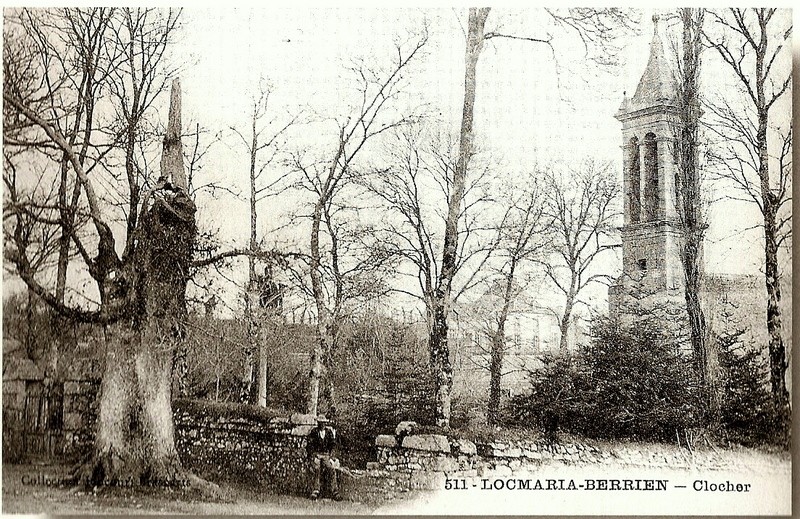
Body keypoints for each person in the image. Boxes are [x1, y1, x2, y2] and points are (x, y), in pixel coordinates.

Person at [306, 415, 341, 501]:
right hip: (317, 455)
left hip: (326, 455)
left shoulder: (328, 432)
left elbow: (333, 444)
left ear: (325, 423)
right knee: (316, 468)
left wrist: (331, 456)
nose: (322, 424)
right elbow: (309, 446)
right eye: (320, 423)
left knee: (331, 469)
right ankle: (315, 491)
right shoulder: (314, 432)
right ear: (318, 423)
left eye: (323, 423)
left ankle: (335, 492)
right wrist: (313, 455)